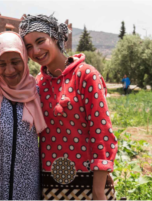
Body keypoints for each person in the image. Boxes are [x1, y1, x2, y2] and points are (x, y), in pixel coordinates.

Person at [19, 14, 118, 201]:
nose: (36, 51)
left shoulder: (86, 75)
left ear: (55, 37)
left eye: (41, 41)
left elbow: (101, 132)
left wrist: (98, 189)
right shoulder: (38, 84)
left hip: (89, 188)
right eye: (29, 47)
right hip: (50, 187)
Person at [0, 31, 47, 201]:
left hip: (27, 190)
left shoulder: (36, 92)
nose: (9, 70)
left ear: (25, 60)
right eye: (1, 63)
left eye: (15, 62)